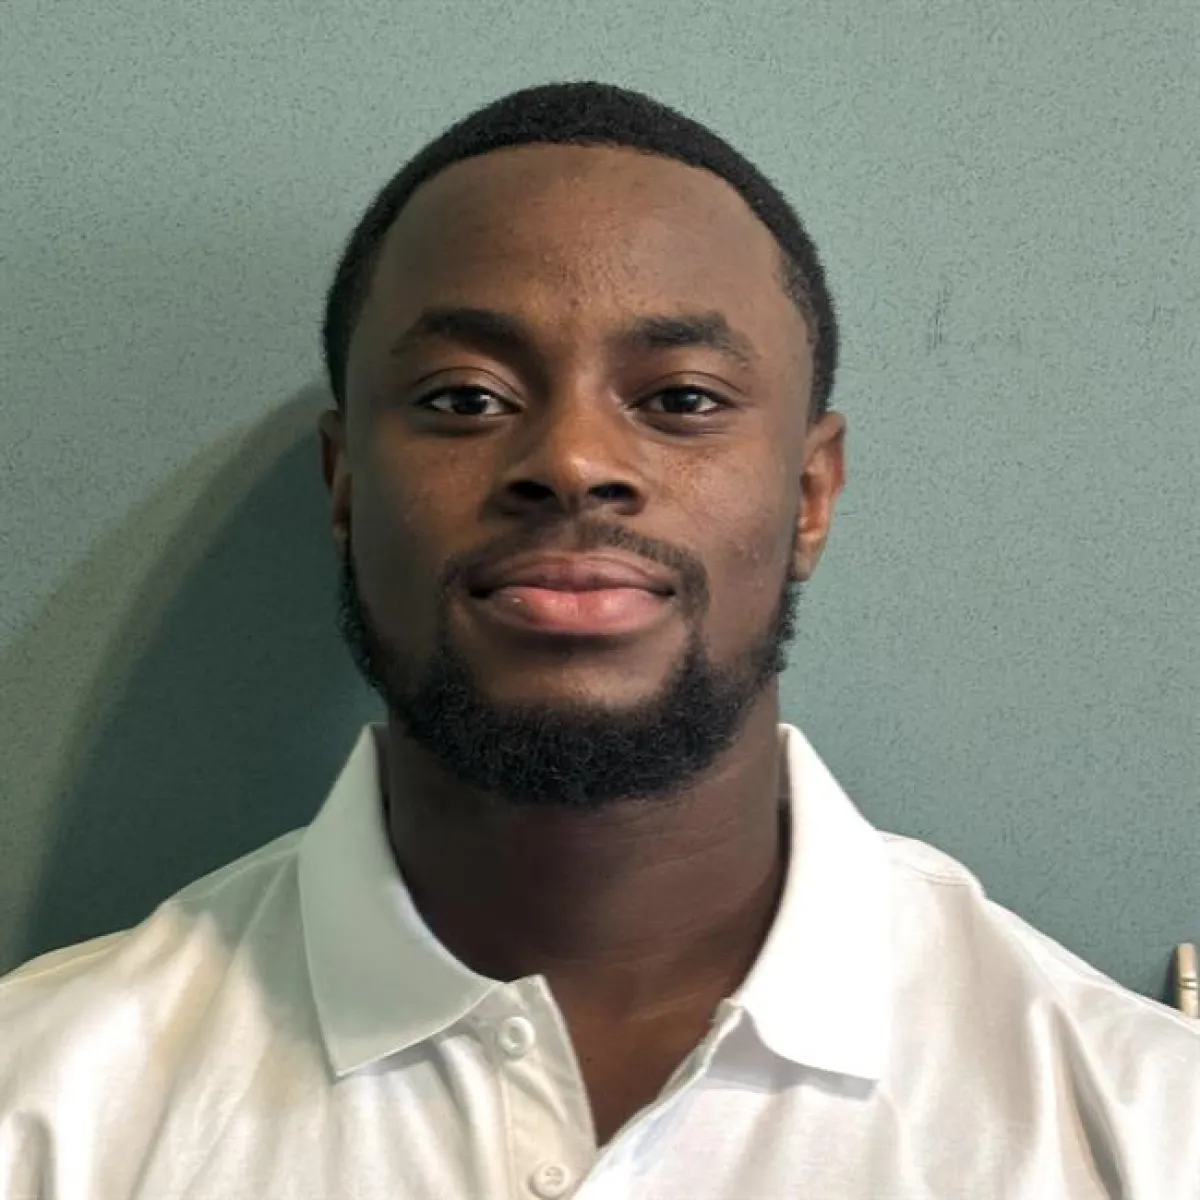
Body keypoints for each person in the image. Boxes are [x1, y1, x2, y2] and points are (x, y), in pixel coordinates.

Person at [0, 81, 1196, 1200]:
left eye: (680, 399)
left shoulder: (1145, 1126)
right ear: (345, 486)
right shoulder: (40, 1111)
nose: (572, 462)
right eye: (466, 398)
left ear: (811, 495)